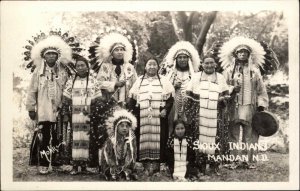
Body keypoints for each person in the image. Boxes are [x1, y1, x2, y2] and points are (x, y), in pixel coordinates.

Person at [25, 32, 74, 174]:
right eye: (48, 54)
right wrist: (31, 108)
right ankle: (44, 163)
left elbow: (68, 89)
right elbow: (32, 90)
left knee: (59, 136)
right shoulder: (38, 72)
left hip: (59, 109)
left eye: (54, 54)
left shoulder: (64, 71)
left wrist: (66, 107)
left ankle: (58, 162)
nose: (51, 56)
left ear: (58, 56)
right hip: (43, 110)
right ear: (43, 56)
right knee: (44, 137)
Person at [219, 36, 269, 169]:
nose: (242, 54)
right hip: (233, 107)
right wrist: (231, 89)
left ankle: (249, 161)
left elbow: (260, 89)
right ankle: (233, 160)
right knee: (233, 134)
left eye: (245, 52)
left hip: (250, 107)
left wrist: (261, 104)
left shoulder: (255, 71)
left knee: (250, 134)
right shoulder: (229, 71)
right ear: (235, 54)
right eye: (240, 52)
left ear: (249, 55)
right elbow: (222, 87)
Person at [128, 56, 175, 175]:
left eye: (154, 64)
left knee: (160, 138)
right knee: (141, 138)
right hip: (142, 115)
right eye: (149, 64)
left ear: (158, 67)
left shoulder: (164, 80)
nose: (152, 66)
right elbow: (131, 99)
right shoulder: (139, 80)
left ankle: (157, 165)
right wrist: (133, 113)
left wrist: (165, 110)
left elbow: (170, 99)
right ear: (145, 67)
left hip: (159, 116)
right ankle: (143, 164)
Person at [184, 54, 230, 175]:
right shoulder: (195, 77)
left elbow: (226, 95)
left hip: (216, 113)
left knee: (216, 137)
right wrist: (188, 114)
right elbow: (188, 96)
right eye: (206, 63)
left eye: (211, 63)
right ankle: (201, 165)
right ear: (202, 65)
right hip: (198, 113)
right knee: (199, 137)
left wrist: (222, 99)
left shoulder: (220, 77)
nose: (209, 65)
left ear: (215, 65)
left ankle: (214, 165)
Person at [61, 56, 103, 174]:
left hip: (88, 115)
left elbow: (98, 99)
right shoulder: (71, 80)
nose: (80, 68)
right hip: (74, 115)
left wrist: (95, 113)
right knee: (74, 139)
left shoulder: (93, 81)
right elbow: (66, 99)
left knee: (87, 139)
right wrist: (65, 114)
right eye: (78, 66)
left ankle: (84, 166)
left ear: (87, 66)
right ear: (75, 68)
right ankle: (74, 166)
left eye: (82, 65)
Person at [161, 41, 200, 134]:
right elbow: (164, 92)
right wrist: (173, 87)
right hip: (173, 107)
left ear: (189, 59)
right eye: (180, 57)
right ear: (176, 60)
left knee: (189, 128)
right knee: (171, 126)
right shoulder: (170, 74)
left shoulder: (194, 75)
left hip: (189, 107)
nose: (182, 60)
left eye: (185, 57)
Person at [94, 29, 138, 107]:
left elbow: (136, 85)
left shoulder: (130, 67)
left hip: (127, 103)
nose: (119, 52)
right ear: (111, 53)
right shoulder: (105, 66)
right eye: (116, 50)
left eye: (121, 50)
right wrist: (114, 84)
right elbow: (99, 83)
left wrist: (131, 99)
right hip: (109, 102)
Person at [100, 108, 137, 181]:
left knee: (129, 172)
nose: (125, 128)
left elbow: (132, 155)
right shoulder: (111, 139)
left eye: (127, 126)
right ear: (116, 127)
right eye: (122, 126)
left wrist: (126, 165)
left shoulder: (131, 138)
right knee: (111, 173)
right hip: (112, 164)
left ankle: (125, 171)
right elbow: (107, 155)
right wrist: (113, 165)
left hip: (125, 164)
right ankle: (115, 173)